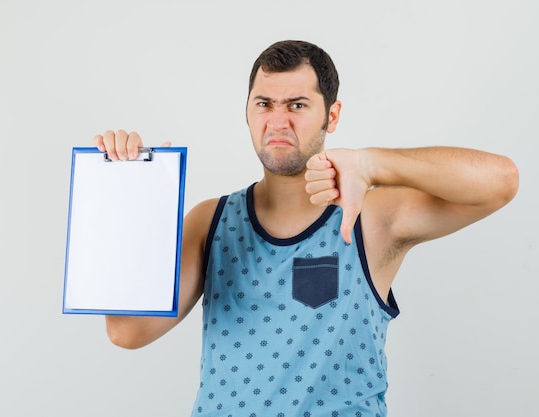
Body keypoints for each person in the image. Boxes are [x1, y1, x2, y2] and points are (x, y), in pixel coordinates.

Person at [93, 40, 519, 417]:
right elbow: (127, 330)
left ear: (331, 116)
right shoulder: (211, 221)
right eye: (264, 104)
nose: (278, 122)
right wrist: (132, 197)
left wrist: (371, 164)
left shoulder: (371, 216)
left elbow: (501, 181)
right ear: (247, 112)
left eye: (297, 105)